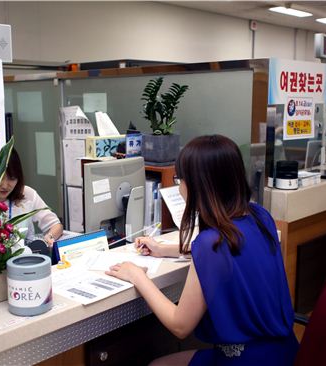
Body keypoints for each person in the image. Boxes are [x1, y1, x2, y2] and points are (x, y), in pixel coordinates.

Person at [106, 135, 298, 365]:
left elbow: (180, 325)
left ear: (198, 185)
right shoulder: (259, 217)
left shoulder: (211, 244)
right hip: (285, 353)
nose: (180, 187)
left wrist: (136, 276)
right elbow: (232, 250)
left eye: (181, 180)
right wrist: (163, 249)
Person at [0, 148, 63, 246]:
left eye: (12, 178)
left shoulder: (26, 193)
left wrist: (49, 238)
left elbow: (56, 225)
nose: (5, 185)